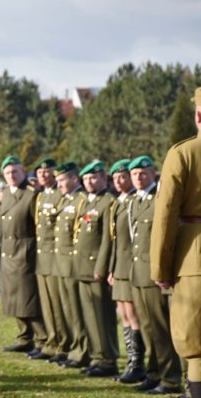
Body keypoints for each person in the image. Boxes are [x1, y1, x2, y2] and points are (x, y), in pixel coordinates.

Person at [151, 85, 201, 398]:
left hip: (196, 261)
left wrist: (160, 269)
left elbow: (165, 216)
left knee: (199, 352)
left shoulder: (183, 153)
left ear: (197, 115)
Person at [128, 156, 183, 395]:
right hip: (138, 273)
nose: (139, 178)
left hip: (154, 273)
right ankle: (154, 373)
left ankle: (170, 378)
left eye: (143, 173)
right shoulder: (135, 201)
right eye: (135, 174)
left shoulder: (158, 198)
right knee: (148, 329)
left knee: (161, 329)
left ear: (153, 174)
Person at [0, 156, 47, 355]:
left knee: (29, 298)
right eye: (8, 173)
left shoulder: (32, 194)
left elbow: (38, 226)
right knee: (14, 297)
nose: (12, 176)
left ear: (23, 171)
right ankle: (24, 336)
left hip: (25, 249)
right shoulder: (6, 194)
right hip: (8, 250)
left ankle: (42, 339)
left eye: (15, 172)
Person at [74, 160, 118, 377]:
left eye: (93, 177)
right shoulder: (87, 202)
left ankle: (108, 359)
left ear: (103, 178)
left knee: (102, 316)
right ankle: (97, 356)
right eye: (86, 178)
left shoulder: (108, 201)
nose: (89, 182)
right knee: (90, 316)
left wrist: (101, 267)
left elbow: (107, 240)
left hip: (95, 268)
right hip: (82, 266)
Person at [106, 159, 146, 384]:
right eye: (116, 177)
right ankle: (132, 362)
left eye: (123, 176)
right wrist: (111, 267)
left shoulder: (133, 201)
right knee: (124, 314)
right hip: (119, 266)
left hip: (131, 266)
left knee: (134, 315)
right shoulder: (119, 202)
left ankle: (138, 364)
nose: (120, 181)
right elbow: (115, 240)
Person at [52, 162, 89, 369]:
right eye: (56, 181)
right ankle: (74, 348)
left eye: (62, 180)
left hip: (74, 264)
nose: (58, 185)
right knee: (67, 310)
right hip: (61, 263)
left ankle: (82, 351)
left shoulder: (81, 201)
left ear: (75, 179)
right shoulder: (65, 200)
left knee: (77, 311)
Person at [32, 158, 68, 362]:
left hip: (55, 257)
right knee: (47, 304)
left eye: (48, 172)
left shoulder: (59, 194)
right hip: (42, 256)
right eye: (40, 172)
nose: (44, 175)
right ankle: (52, 342)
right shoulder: (40, 196)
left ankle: (63, 344)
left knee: (58, 304)